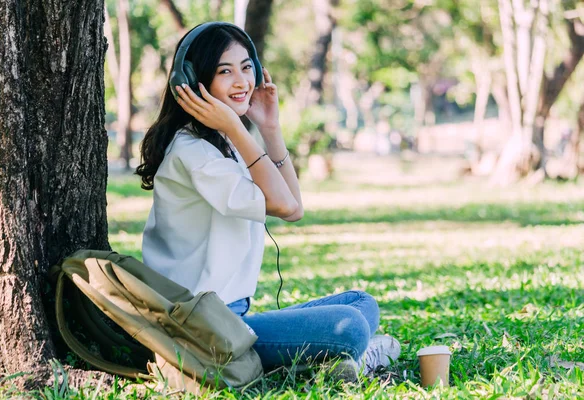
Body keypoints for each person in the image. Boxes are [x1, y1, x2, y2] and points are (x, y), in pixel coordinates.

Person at [135, 22, 400, 381]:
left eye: (247, 67)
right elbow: (285, 207)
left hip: (231, 316)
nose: (242, 81)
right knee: (349, 326)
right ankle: (351, 357)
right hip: (203, 327)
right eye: (224, 71)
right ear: (192, 79)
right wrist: (238, 128)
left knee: (360, 303)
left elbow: (295, 207)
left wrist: (270, 128)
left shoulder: (221, 143)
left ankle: (335, 361)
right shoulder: (193, 152)